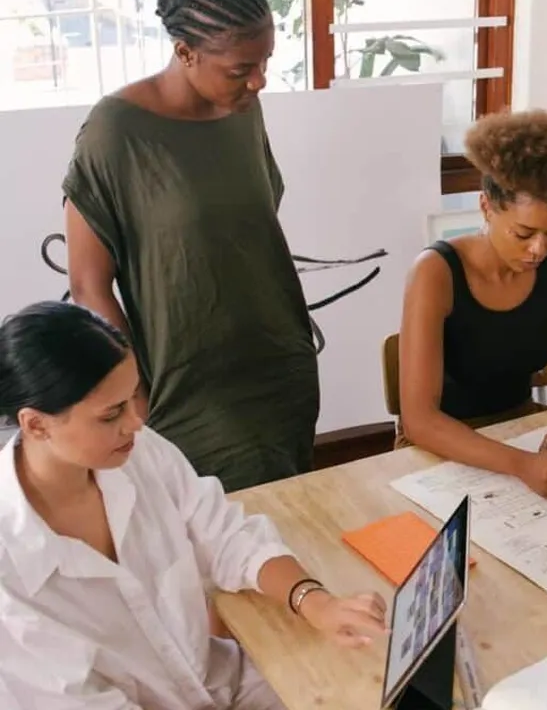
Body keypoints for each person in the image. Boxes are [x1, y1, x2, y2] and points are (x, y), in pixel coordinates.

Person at [0, 301, 387, 709]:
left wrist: (314, 601)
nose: (136, 422)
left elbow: (225, 536)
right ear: (36, 424)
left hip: (226, 685)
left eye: (134, 396)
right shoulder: (11, 570)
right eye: (112, 413)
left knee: (375, 681)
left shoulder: (138, 453)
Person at [62, 0, 318, 493]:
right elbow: (88, 284)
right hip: (188, 385)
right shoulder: (115, 131)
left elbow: (246, 235)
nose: (258, 80)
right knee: (216, 539)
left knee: (288, 523)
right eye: (240, 68)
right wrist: (131, 390)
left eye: (265, 61)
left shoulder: (243, 109)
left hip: (280, 365)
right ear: (185, 52)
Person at [398, 109, 547, 502]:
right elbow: (419, 420)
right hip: (441, 449)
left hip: (520, 430)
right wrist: (521, 465)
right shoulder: (435, 272)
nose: (539, 249)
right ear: (486, 207)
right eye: (523, 233)